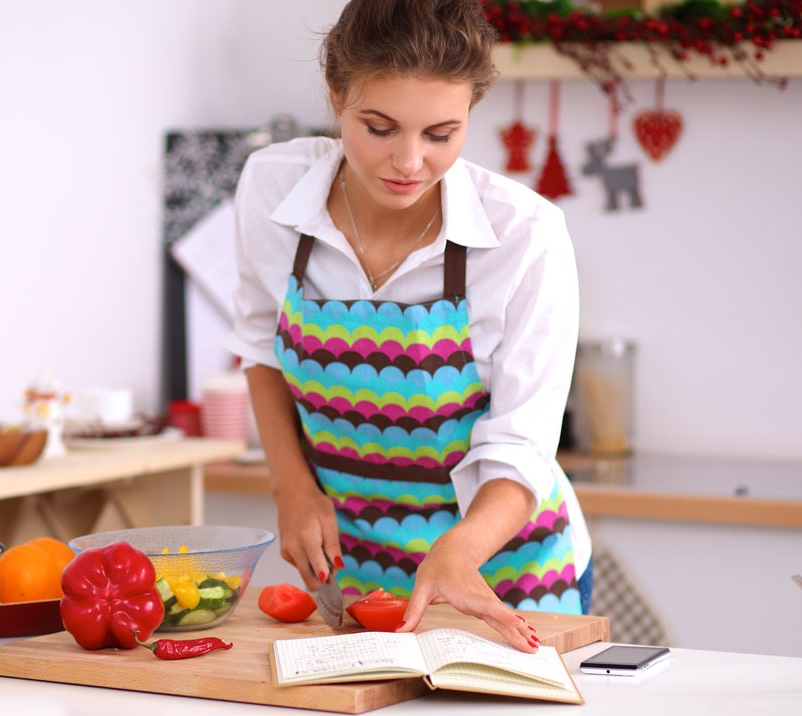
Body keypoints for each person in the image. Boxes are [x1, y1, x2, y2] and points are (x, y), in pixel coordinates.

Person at [226, 0, 592, 654]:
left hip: (500, 574)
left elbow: (522, 447)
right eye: (380, 127)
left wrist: (461, 552)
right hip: (356, 572)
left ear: (470, 115)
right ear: (337, 95)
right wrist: (292, 488)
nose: (409, 162)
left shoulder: (523, 236)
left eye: (441, 134)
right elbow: (261, 349)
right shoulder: (273, 187)